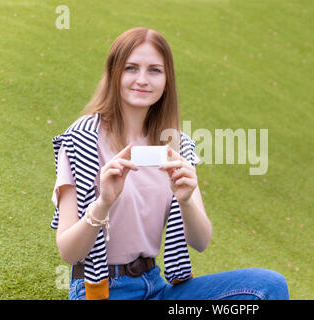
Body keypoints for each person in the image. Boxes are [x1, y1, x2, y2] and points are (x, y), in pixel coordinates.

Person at [51, 27, 289, 300]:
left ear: (167, 80)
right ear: (114, 73)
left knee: (268, 286)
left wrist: (186, 200)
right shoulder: (80, 140)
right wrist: (103, 202)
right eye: (131, 68)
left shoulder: (177, 146)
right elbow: (69, 252)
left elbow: (200, 241)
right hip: (100, 290)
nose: (142, 79)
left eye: (155, 70)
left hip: (155, 287)